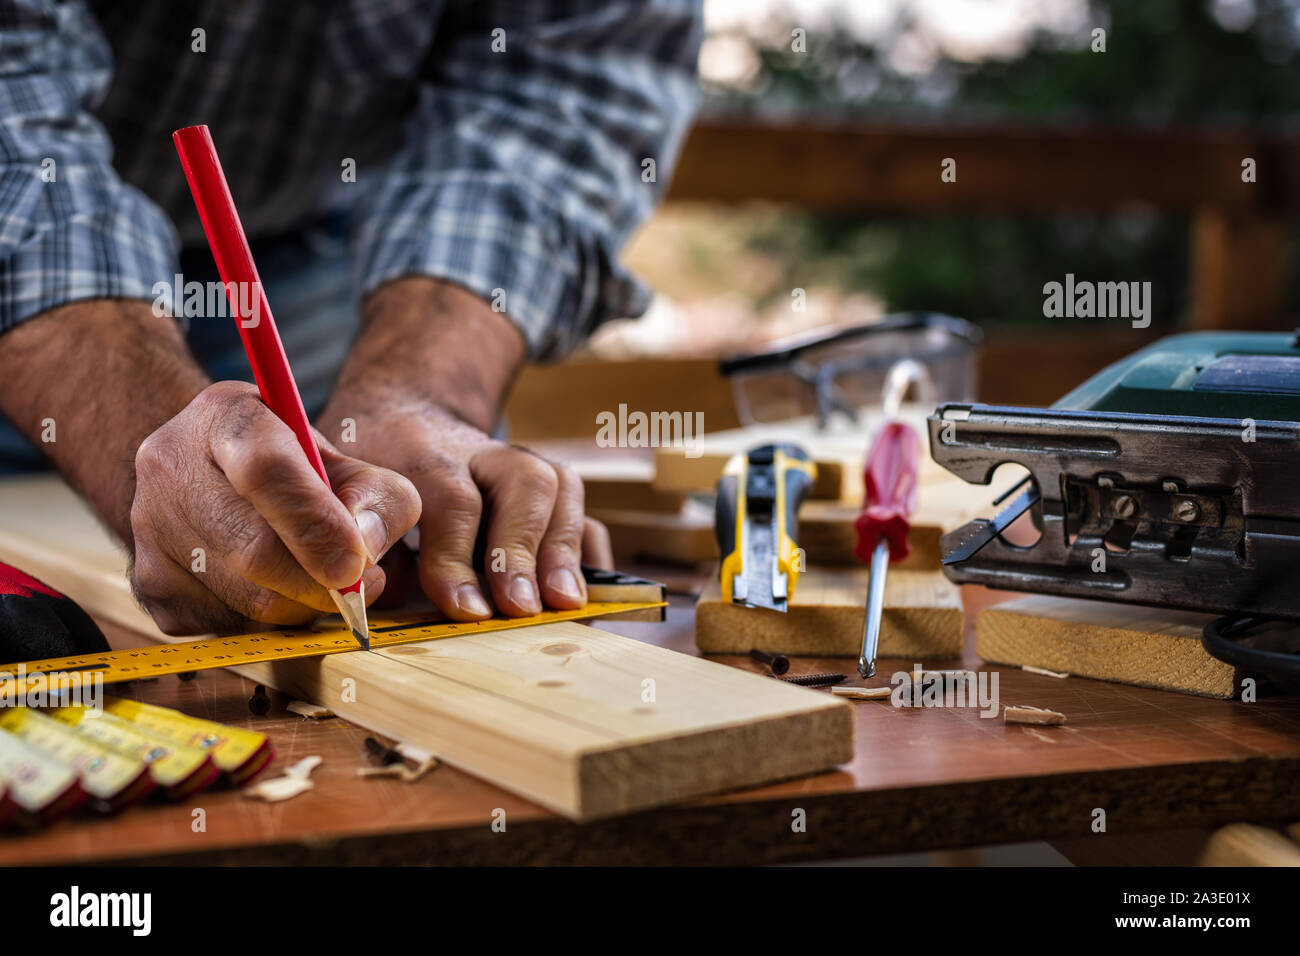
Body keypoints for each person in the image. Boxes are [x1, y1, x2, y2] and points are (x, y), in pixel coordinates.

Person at [0, 0, 702, 638]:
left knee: (334, 531)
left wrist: (416, 396)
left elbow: (554, 97)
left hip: (318, 244)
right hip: (32, 241)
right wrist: (137, 428)